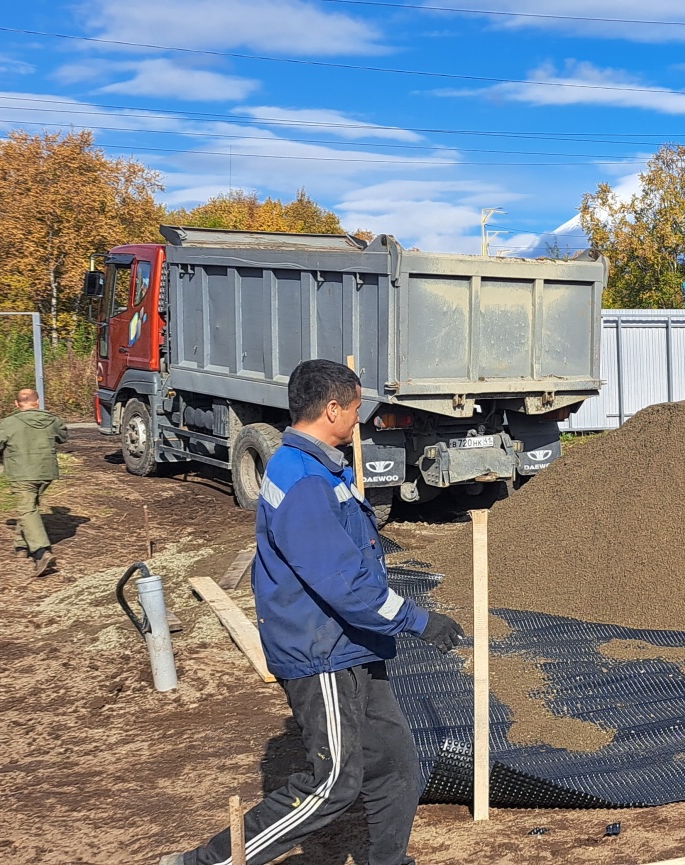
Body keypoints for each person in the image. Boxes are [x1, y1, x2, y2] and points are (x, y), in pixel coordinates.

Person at [163, 360, 466, 865]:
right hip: (321, 648)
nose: (358, 421)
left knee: (392, 762)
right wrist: (418, 620)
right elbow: (342, 582)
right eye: (353, 409)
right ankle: (208, 862)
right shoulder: (303, 479)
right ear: (331, 409)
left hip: (350, 644)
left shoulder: (317, 467)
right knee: (333, 782)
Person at [0, 388, 67, 577]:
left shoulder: (9, 423)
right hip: (46, 471)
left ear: (17, 404)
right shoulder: (52, 420)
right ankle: (21, 546)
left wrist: (1, 453)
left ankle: (41, 551)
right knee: (30, 507)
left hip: (21, 472)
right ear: (38, 401)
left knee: (27, 509)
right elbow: (63, 437)